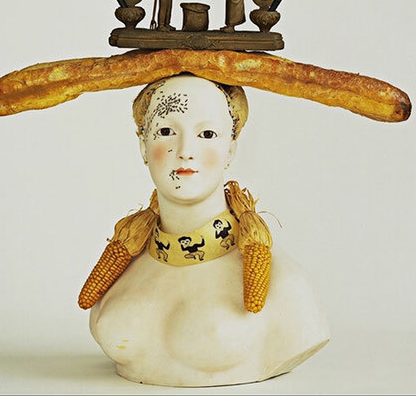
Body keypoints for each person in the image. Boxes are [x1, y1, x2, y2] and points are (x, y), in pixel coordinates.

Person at [84, 74, 330, 386]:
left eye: (208, 133)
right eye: (166, 131)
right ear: (143, 146)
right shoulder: (122, 269)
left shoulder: (288, 288)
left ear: (231, 150)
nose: (185, 151)